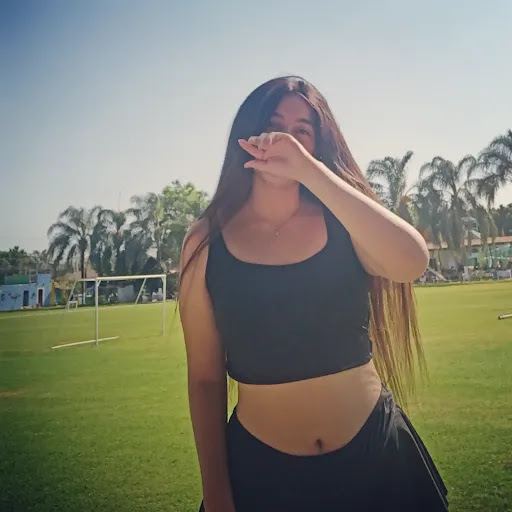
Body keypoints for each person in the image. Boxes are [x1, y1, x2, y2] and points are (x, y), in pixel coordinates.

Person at [178, 76, 449, 512]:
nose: (285, 139)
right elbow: (206, 380)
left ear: (318, 144)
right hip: (263, 477)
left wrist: (309, 171)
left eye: (302, 130)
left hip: (380, 464)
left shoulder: (343, 219)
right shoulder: (206, 242)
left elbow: (411, 262)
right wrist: (217, 495)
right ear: (246, 135)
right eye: (273, 125)